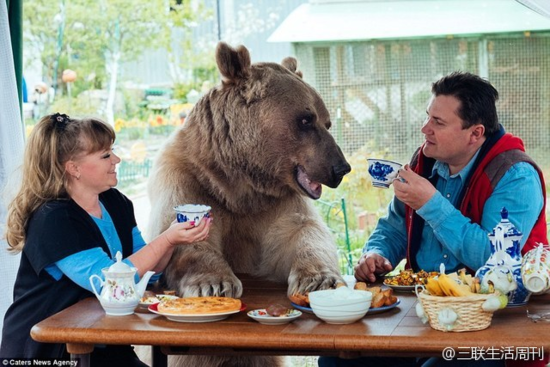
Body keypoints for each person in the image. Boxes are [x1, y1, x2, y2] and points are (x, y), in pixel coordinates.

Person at [320, 72, 548, 367]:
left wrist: (431, 204)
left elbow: (496, 260)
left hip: (492, 323)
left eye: (438, 123)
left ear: (475, 134)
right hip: (421, 314)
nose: (424, 128)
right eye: (428, 117)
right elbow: (393, 227)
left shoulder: (515, 175)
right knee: (337, 359)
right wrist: (377, 253)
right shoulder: (423, 161)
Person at [0, 113, 212, 366]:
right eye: (105, 156)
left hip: (101, 341)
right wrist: (166, 239)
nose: (117, 160)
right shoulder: (54, 219)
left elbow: (148, 272)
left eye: (112, 151)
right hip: (47, 351)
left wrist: (175, 237)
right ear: (73, 168)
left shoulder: (116, 202)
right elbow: (110, 282)